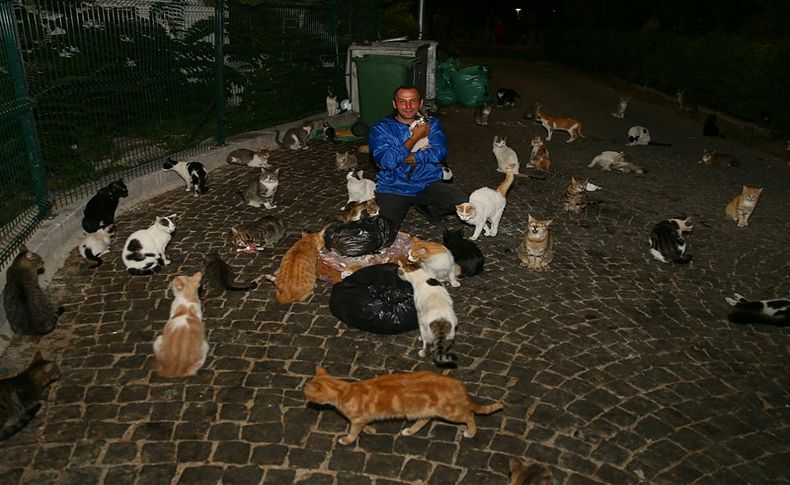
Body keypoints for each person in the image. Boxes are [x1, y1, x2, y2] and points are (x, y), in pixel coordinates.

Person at [368, 85, 468, 230]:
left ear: (420, 103)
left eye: (413, 101)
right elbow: (387, 162)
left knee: (462, 200)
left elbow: (438, 153)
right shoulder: (381, 129)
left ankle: (428, 207)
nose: (408, 106)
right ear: (394, 104)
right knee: (385, 233)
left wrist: (401, 157)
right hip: (394, 187)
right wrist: (415, 137)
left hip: (426, 182)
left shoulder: (432, 123)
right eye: (402, 101)